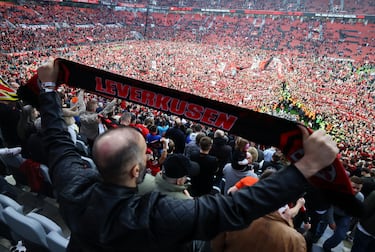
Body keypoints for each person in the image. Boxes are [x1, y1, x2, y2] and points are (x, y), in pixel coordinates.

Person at [35, 60, 339, 252]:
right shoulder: (156, 215)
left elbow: (57, 139)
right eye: (143, 154)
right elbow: (235, 208)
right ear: (134, 172)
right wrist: (307, 166)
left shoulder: (72, 185)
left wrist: (48, 89)